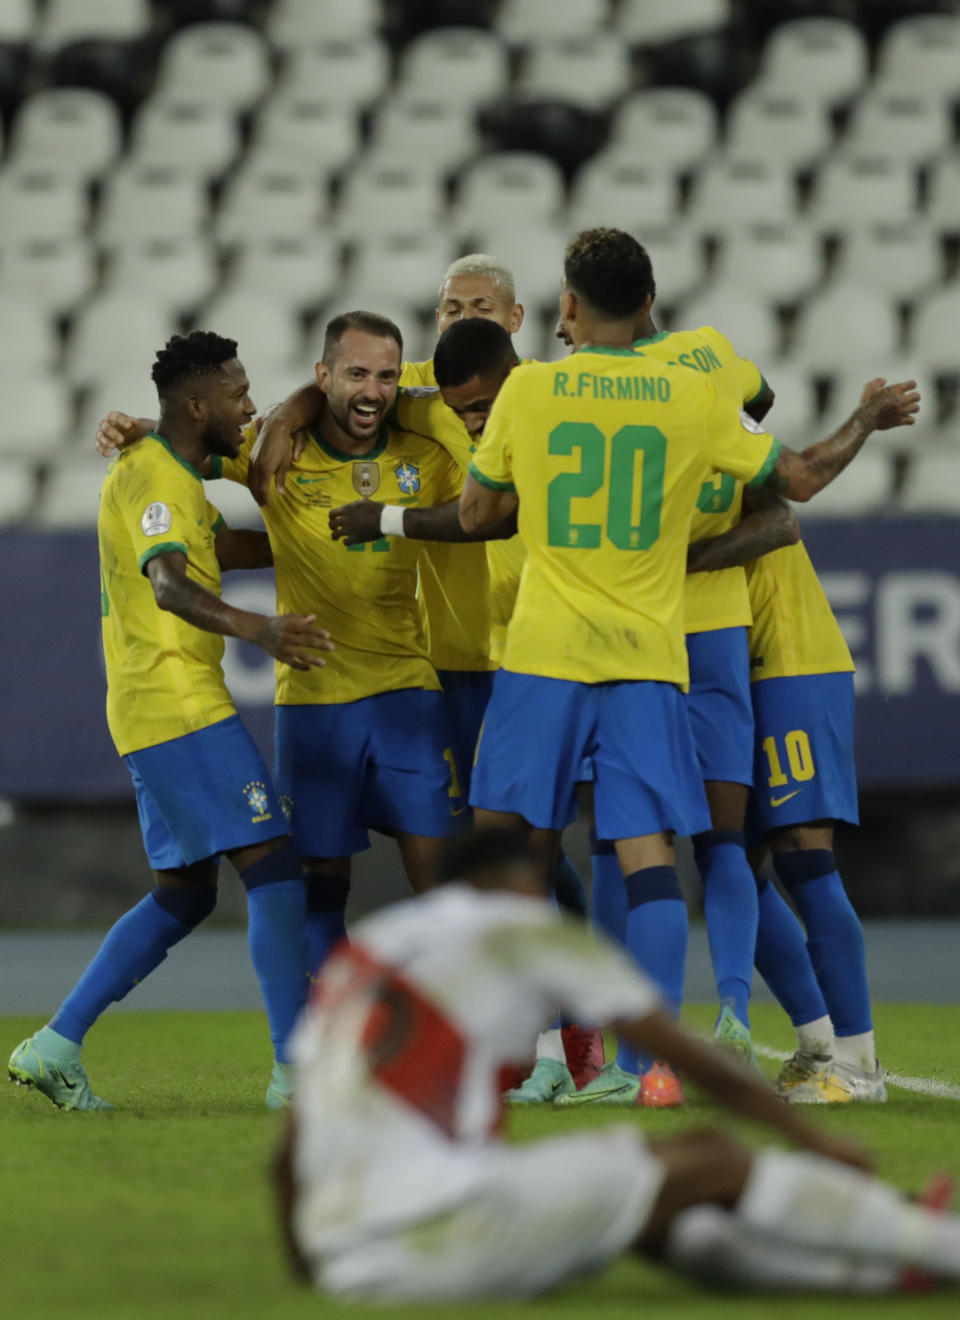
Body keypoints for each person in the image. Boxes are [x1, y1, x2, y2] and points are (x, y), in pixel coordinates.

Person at [459, 227, 919, 1107]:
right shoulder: (690, 392)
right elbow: (801, 478)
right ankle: (649, 1069)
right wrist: (865, 416)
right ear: (649, 306)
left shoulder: (531, 391)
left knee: (508, 853)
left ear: (569, 306)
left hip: (546, 654)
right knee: (651, 860)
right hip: (648, 659)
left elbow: (482, 513)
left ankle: (528, 1050)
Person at [273, 826, 960, 1301]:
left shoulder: (368, 950)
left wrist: (316, 1261)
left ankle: (874, 1281)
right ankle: (935, 1243)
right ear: (517, 883)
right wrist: (820, 1143)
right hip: (442, 1231)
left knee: (658, 1211)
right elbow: (700, 1062)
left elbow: (287, 1151)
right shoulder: (518, 923)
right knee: (711, 1156)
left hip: (343, 1255)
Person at [9, 332, 333, 1111]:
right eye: (236, 392)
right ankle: (295, 1074)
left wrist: (319, 545)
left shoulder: (171, 469)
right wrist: (258, 630)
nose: (249, 405)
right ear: (197, 404)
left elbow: (229, 544)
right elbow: (169, 585)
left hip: (152, 708)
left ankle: (54, 1044)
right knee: (276, 871)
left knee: (185, 894)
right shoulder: (155, 478)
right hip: (178, 702)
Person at [93, 313, 467, 975]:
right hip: (315, 700)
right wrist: (135, 428)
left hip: (407, 692)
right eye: (356, 373)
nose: (373, 390)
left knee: (447, 890)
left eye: (386, 375)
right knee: (319, 895)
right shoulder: (274, 447)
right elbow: (189, 438)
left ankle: (485, 1041)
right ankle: (338, 1044)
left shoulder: (427, 456)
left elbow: (482, 506)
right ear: (322, 377)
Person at [689, 516, 883, 1102]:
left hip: (789, 660)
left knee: (803, 853)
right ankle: (818, 1041)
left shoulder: (723, 440)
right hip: (725, 670)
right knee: (730, 863)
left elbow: (783, 518)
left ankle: (859, 1061)